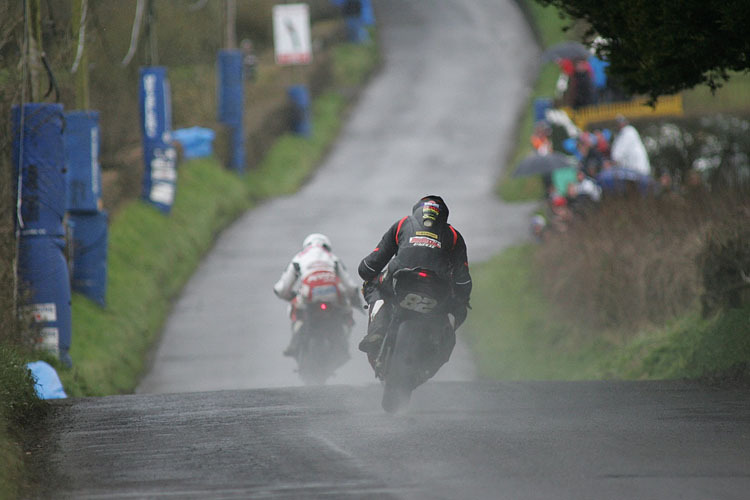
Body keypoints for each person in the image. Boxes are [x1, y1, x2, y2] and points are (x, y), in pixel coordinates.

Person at [357, 195, 472, 367]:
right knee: (459, 308)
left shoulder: (402, 224)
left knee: (372, 285)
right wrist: (461, 299)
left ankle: (377, 331)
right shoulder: (454, 235)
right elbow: (462, 280)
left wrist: (366, 273)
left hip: (399, 277)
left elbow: (371, 264)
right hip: (438, 286)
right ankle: (439, 343)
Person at [273, 233, 361, 357]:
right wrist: (354, 299)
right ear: (327, 246)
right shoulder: (333, 258)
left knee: (295, 310)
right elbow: (350, 286)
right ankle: (343, 345)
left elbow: (282, 288)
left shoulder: (299, 258)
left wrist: (290, 296)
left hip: (309, 295)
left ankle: (294, 342)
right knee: (347, 312)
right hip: (334, 295)